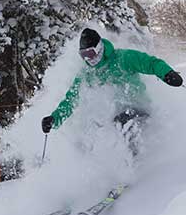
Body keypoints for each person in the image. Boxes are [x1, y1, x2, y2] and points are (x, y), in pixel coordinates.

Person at [41, 28, 183, 155]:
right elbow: (71, 99)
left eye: (90, 53)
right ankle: (106, 171)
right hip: (113, 119)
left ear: (99, 47)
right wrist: (54, 119)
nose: (88, 59)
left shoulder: (123, 58)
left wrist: (167, 73)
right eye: (83, 55)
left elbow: (150, 63)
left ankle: (135, 167)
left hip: (138, 109)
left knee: (123, 122)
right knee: (93, 132)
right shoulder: (87, 74)